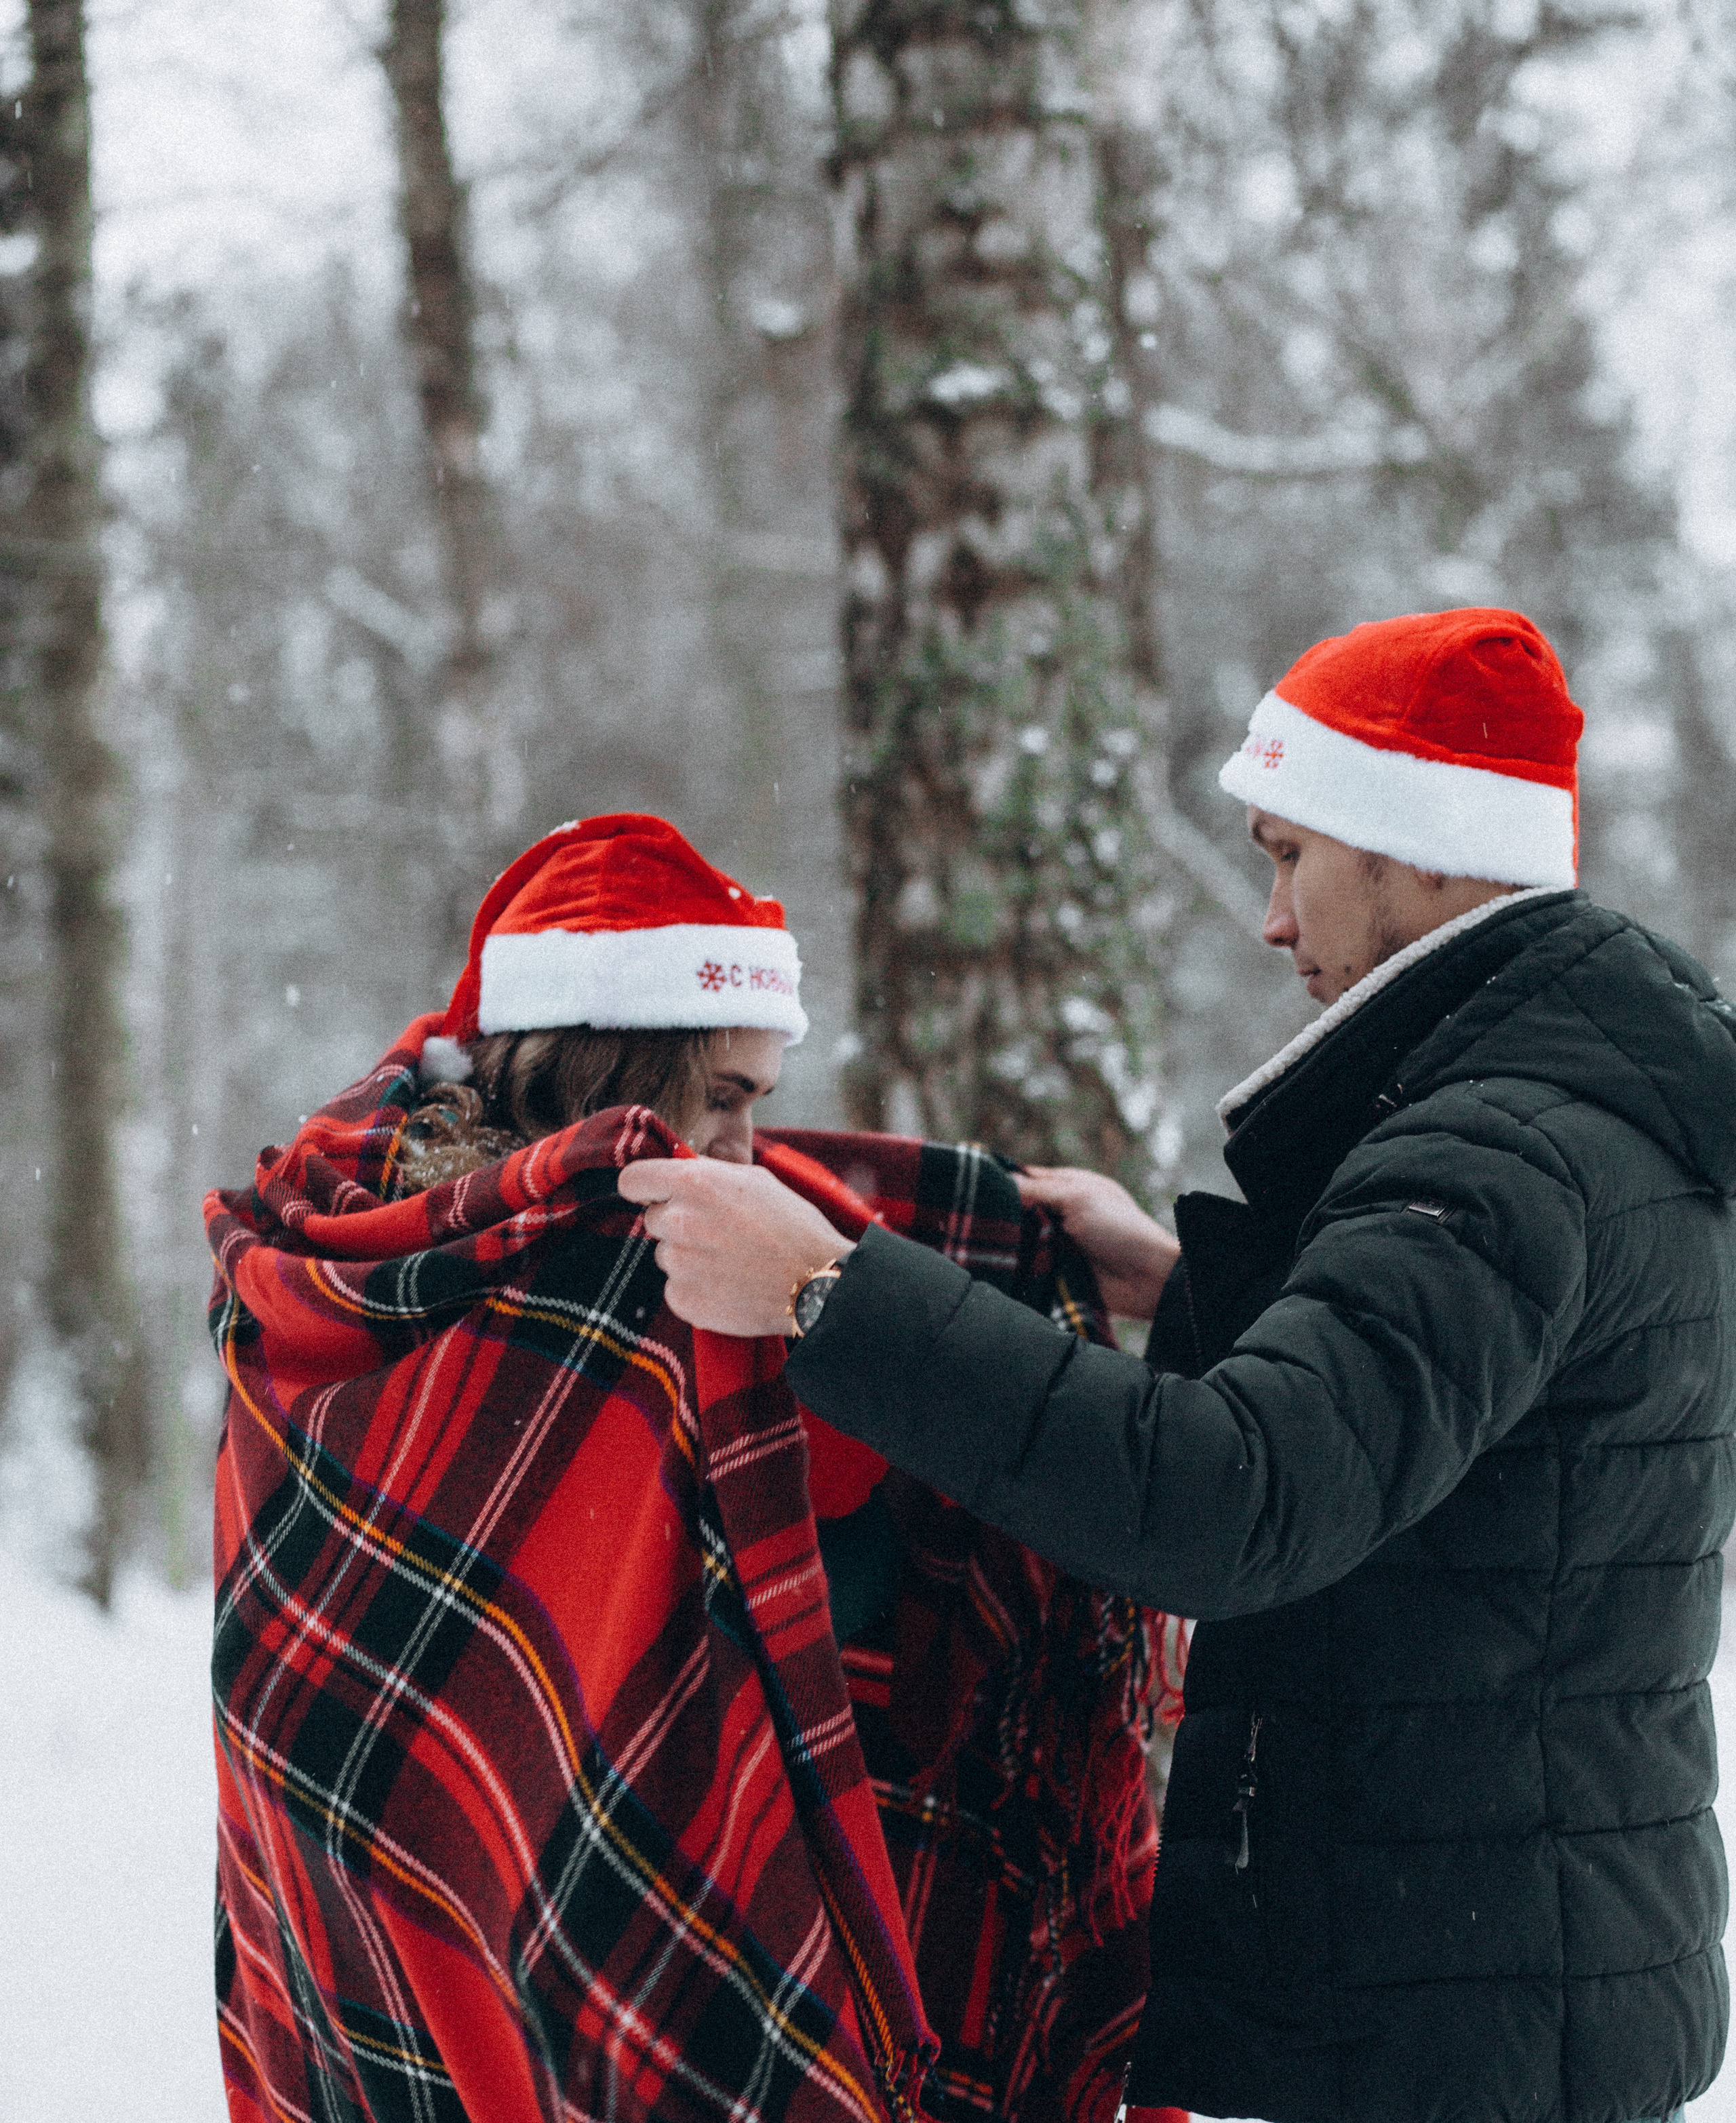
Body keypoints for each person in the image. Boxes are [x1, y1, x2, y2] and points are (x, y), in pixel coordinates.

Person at [620, 609, 1736, 2123]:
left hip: (1443, 2032)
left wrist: (828, 1292)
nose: (1270, 917)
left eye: (1289, 854)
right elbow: (1459, 1434)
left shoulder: (1490, 1156)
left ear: (1409, 851)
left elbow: (1226, 1504)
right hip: (1508, 1980)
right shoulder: (1584, 1110)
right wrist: (1188, 1281)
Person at [205, 812, 1174, 2123]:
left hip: (464, 1936)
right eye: (724, 1100)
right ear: (617, 1068)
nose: (744, 1154)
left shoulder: (339, 1261)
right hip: (445, 1902)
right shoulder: (587, 1295)